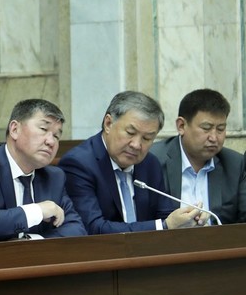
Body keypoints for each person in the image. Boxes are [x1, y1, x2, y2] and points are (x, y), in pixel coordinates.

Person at [59, 91, 203, 233]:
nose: (136, 145)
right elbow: (92, 228)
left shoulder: (150, 164)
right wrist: (163, 226)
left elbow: (166, 216)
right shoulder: (78, 164)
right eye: (130, 133)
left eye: (147, 138)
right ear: (108, 123)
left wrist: (189, 219)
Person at [0, 99, 86, 240]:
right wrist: (37, 211)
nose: (51, 142)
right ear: (14, 129)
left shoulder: (54, 177)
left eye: (56, 136)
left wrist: (31, 240)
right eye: (43, 129)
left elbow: (76, 229)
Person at [149, 89, 246, 225]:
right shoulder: (152, 160)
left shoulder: (235, 164)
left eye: (220, 129)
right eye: (206, 128)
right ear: (181, 126)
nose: (214, 138)